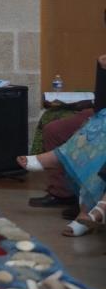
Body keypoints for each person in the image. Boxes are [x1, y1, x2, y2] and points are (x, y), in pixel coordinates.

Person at [25, 53, 106, 222]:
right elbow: (101, 103)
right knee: (54, 130)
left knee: (98, 134)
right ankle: (62, 193)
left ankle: (87, 204)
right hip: (101, 111)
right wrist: (102, 70)